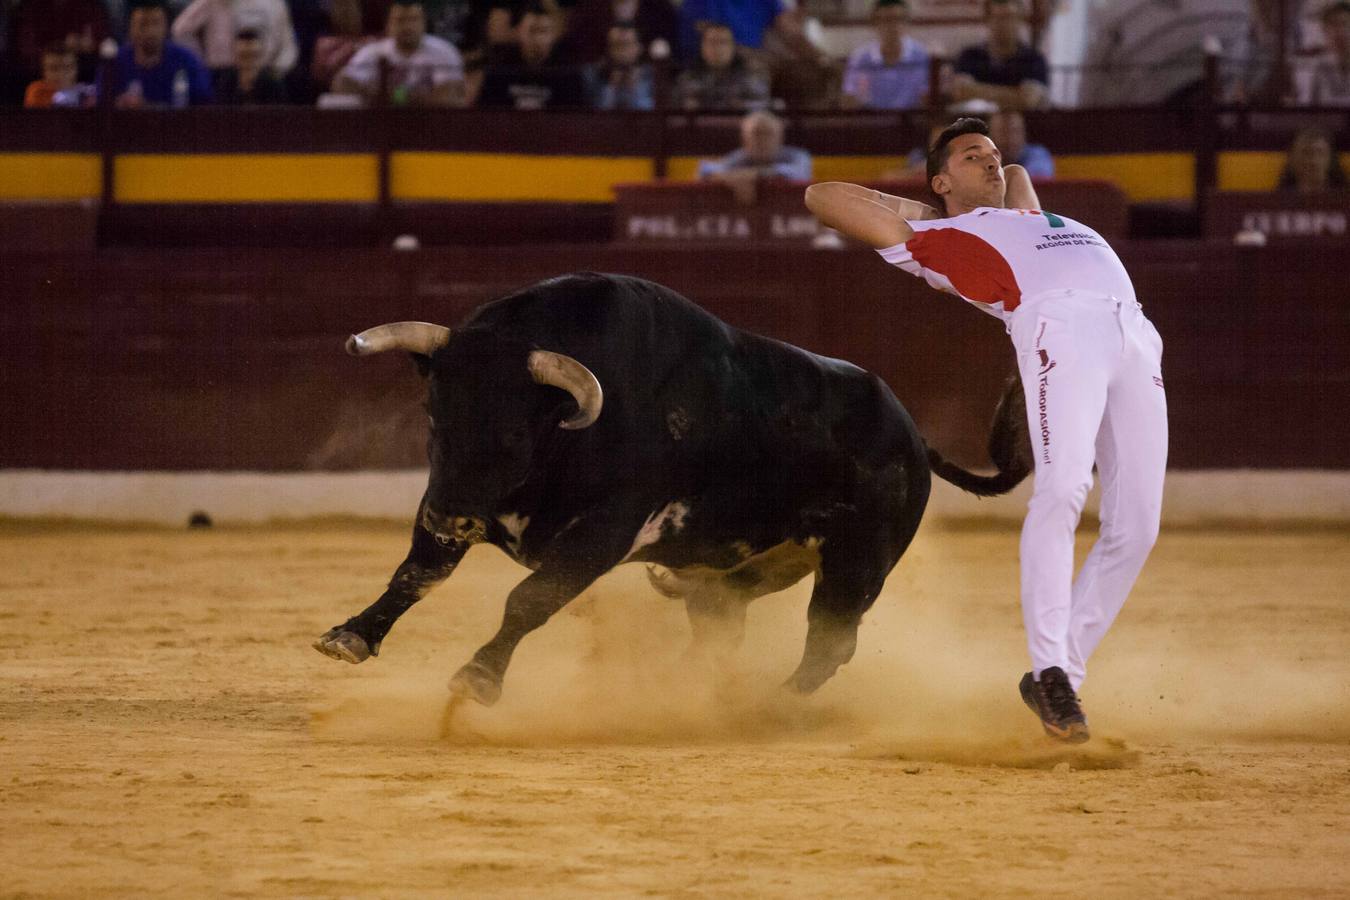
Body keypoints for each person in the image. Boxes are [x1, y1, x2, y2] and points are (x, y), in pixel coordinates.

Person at [805, 118, 1167, 743]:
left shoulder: (1020, 207)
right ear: (941, 180)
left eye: (995, 154)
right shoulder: (926, 237)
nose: (995, 163)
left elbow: (1021, 177)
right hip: (1061, 329)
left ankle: (1055, 678)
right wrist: (924, 207)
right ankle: (1052, 667)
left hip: (1134, 333)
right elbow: (821, 197)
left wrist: (973, 178)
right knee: (1061, 491)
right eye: (974, 156)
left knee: (1138, 524)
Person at [333, 0, 465, 107]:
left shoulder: (444, 51)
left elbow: (449, 92)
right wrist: (412, 97)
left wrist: (390, 96)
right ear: (388, 26)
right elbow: (343, 82)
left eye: (413, 19)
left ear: (424, 23)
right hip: (380, 123)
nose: (408, 26)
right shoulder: (373, 51)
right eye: (400, 20)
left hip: (432, 125)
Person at [99, 0, 214, 107]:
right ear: (131, 29)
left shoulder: (187, 61)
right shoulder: (115, 63)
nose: (150, 31)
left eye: (156, 23)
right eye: (143, 24)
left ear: (166, 27)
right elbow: (100, 103)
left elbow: (205, 104)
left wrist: (146, 106)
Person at [476, 2, 586, 108]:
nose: (537, 38)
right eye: (531, 30)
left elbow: (574, 119)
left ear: (554, 36)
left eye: (543, 31)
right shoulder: (500, 71)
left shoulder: (567, 74)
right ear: (519, 32)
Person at [698, 109, 811, 204]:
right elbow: (705, 170)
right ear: (744, 139)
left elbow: (798, 173)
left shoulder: (797, 156)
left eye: (767, 133)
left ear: (780, 137)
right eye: (756, 133)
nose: (762, 140)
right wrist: (730, 179)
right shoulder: (740, 157)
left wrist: (754, 176)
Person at [952, 0, 1048, 111]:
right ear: (987, 20)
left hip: (1021, 127)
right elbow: (960, 93)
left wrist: (976, 91)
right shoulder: (969, 56)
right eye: (998, 17)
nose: (1004, 24)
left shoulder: (1034, 60)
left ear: (1020, 20)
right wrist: (1015, 95)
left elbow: (1028, 100)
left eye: (1010, 17)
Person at [171, 0, 298, 76]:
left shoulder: (275, 4)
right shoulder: (213, 2)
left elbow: (288, 46)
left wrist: (276, 71)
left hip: (267, 75)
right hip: (222, 73)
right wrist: (199, 63)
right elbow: (180, 31)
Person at [841, 0, 928, 111]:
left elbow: (927, 100)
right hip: (872, 123)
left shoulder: (921, 56)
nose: (893, 26)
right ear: (875, 23)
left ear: (907, 22)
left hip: (910, 123)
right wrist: (857, 96)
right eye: (887, 20)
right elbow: (848, 100)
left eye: (898, 19)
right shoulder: (861, 58)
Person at [670, 20, 769, 111]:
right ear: (702, 47)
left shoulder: (751, 77)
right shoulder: (687, 79)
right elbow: (673, 110)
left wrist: (742, 106)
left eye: (723, 42)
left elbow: (762, 105)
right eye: (711, 42)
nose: (717, 48)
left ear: (733, 47)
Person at [585, 22, 654, 110]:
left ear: (639, 47)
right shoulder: (593, 74)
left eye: (626, 45)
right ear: (608, 49)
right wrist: (612, 87)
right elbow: (593, 115)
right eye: (616, 45)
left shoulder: (651, 74)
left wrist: (634, 89)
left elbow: (654, 113)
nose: (622, 52)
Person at [1294, 0, 1350, 106]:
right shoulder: (1318, 70)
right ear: (1325, 32)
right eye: (1333, 26)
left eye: (1344, 24)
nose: (1339, 32)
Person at [213, 26, 288, 102]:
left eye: (253, 56)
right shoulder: (227, 82)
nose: (248, 63)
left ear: (261, 54)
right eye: (243, 56)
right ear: (234, 55)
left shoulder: (273, 83)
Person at [1276, 126, 1349, 193]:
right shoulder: (1277, 200)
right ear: (1292, 159)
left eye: (1320, 153)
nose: (1313, 160)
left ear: (1331, 159)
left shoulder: (1345, 199)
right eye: (1306, 153)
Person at [24, 44, 97, 107]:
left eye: (67, 67)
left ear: (76, 69)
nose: (61, 73)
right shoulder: (37, 90)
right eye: (54, 68)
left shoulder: (88, 92)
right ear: (44, 71)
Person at [989, 109, 1054, 178]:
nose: (1010, 138)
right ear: (990, 137)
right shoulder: (980, 157)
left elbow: (1037, 179)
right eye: (1003, 132)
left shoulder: (1038, 155)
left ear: (1024, 134)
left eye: (1015, 131)